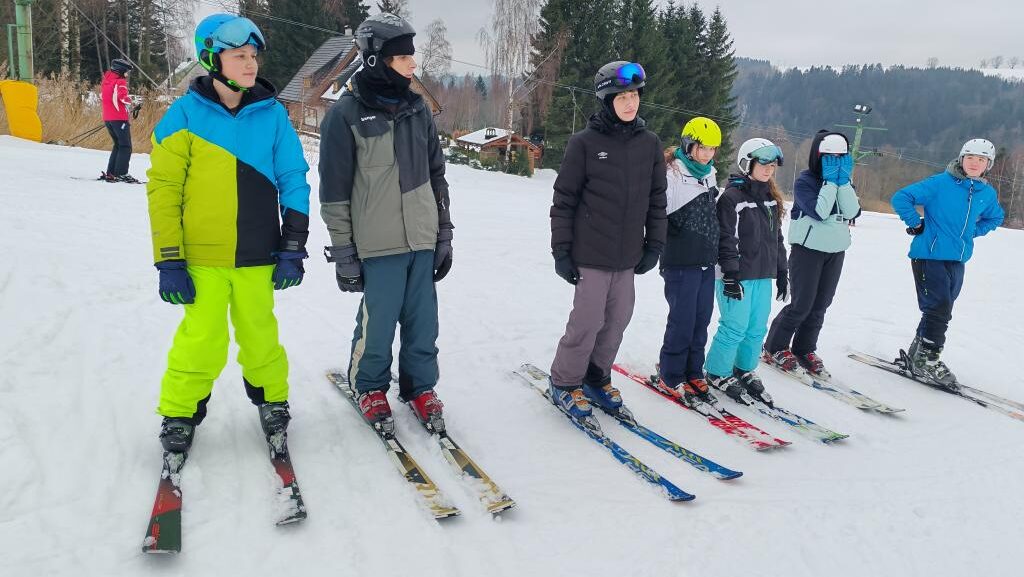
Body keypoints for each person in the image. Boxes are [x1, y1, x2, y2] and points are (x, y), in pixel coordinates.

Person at [146, 13, 311, 454]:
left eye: (253, 55)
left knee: (261, 336)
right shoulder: (181, 115)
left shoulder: (272, 115)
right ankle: (180, 413)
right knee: (202, 341)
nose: (250, 64)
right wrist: (169, 259)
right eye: (239, 56)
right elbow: (163, 192)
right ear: (211, 59)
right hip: (202, 260)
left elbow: (294, 175)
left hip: (259, 255)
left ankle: (273, 403)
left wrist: (293, 244)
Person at [319, 13, 453, 436]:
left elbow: (437, 177)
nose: (413, 65)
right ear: (376, 60)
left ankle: (419, 387)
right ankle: (370, 386)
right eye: (403, 58)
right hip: (377, 244)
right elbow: (334, 193)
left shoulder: (418, 111)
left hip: (422, 238)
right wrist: (344, 253)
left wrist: (443, 233)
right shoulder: (346, 115)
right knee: (378, 322)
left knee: (423, 321)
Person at [547, 60, 667, 421]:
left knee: (617, 319)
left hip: (627, 255)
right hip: (590, 254)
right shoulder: (584, 144)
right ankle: (565, 381)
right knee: (586, 320)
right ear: (606, 100)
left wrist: (654, 245)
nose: (631, 103)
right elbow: (564, 200)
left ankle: (596, 377)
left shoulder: (650, 144)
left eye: (634, 95)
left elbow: (657, 199)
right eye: (622, 96)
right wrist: (561, 251)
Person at [891, 138, 1005, 389]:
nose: (975, 163)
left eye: (981, 159)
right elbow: (902, 197)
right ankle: (928, 360)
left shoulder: (986, 193)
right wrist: (915, 223)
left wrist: (972, 233)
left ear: (988, 164)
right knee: (939, 307)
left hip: (957, 259)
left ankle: (918, 353)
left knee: (939, 308)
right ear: (961, 159)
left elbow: (996, 216)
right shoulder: (940, 183)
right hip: (928, 255)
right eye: (971, 158)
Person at [763, 130, 861, 379]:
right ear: (818, 156)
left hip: (835, 250)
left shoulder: (843, 182)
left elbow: (853, 210)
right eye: (829, 157)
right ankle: (774, 346)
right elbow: (820, 211)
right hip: (807, 250)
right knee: (801, 305)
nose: (835, 162)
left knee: (820, 306)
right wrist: (829, 183)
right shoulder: (805, 181)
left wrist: (844, 182)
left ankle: (804, 349)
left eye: (840, 157)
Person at [704, 138, 788, 405]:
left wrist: (783, 272)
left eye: (772, 164)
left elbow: (777, 239)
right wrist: (729, 274)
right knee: (734, 326)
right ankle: (717, 372)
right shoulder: (732, 198)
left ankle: (743, 368)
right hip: (736, 275)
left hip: (762, 275)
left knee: (756, 328)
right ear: (747, 163)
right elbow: (725, 239)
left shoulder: (772, 200)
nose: (768, 168)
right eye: (763, 163)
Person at [656, 117, 722, 407]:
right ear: (688, 144)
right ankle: (670, 373)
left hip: (705, 259)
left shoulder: (710, 175)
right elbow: (660, 213)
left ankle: (693, 370)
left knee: (701, 319)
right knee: (682, 320)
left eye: (712, 149)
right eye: (702, 148)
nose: (707, 155)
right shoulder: (671, 173)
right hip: (681, 259)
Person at [100, 58, 141, 183]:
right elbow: (123, 98)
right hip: (119, 119)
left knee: (118, 145)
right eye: (126, 71)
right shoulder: (120, 82)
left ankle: (111, 172)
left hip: (108, 119)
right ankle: (122, 173)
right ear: (121, 71)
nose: (127, 74)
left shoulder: (106, 82)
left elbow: (104, 97)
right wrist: (134, 102)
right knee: (125, 146)